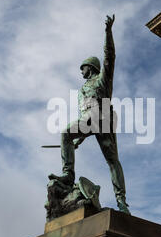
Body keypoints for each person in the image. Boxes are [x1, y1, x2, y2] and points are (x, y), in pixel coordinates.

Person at [49, 14, 130, 214]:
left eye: (83, 67)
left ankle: (121, 202)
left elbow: (109, 56)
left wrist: (108, 32)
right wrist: (81, 139)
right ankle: (68, 175)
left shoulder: (102, 80)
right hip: (90, 120)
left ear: (91, 67)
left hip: (103, 119)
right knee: (66, 133)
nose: (81, 71)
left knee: (112, 162)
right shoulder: (81, 90)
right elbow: (88, 119)